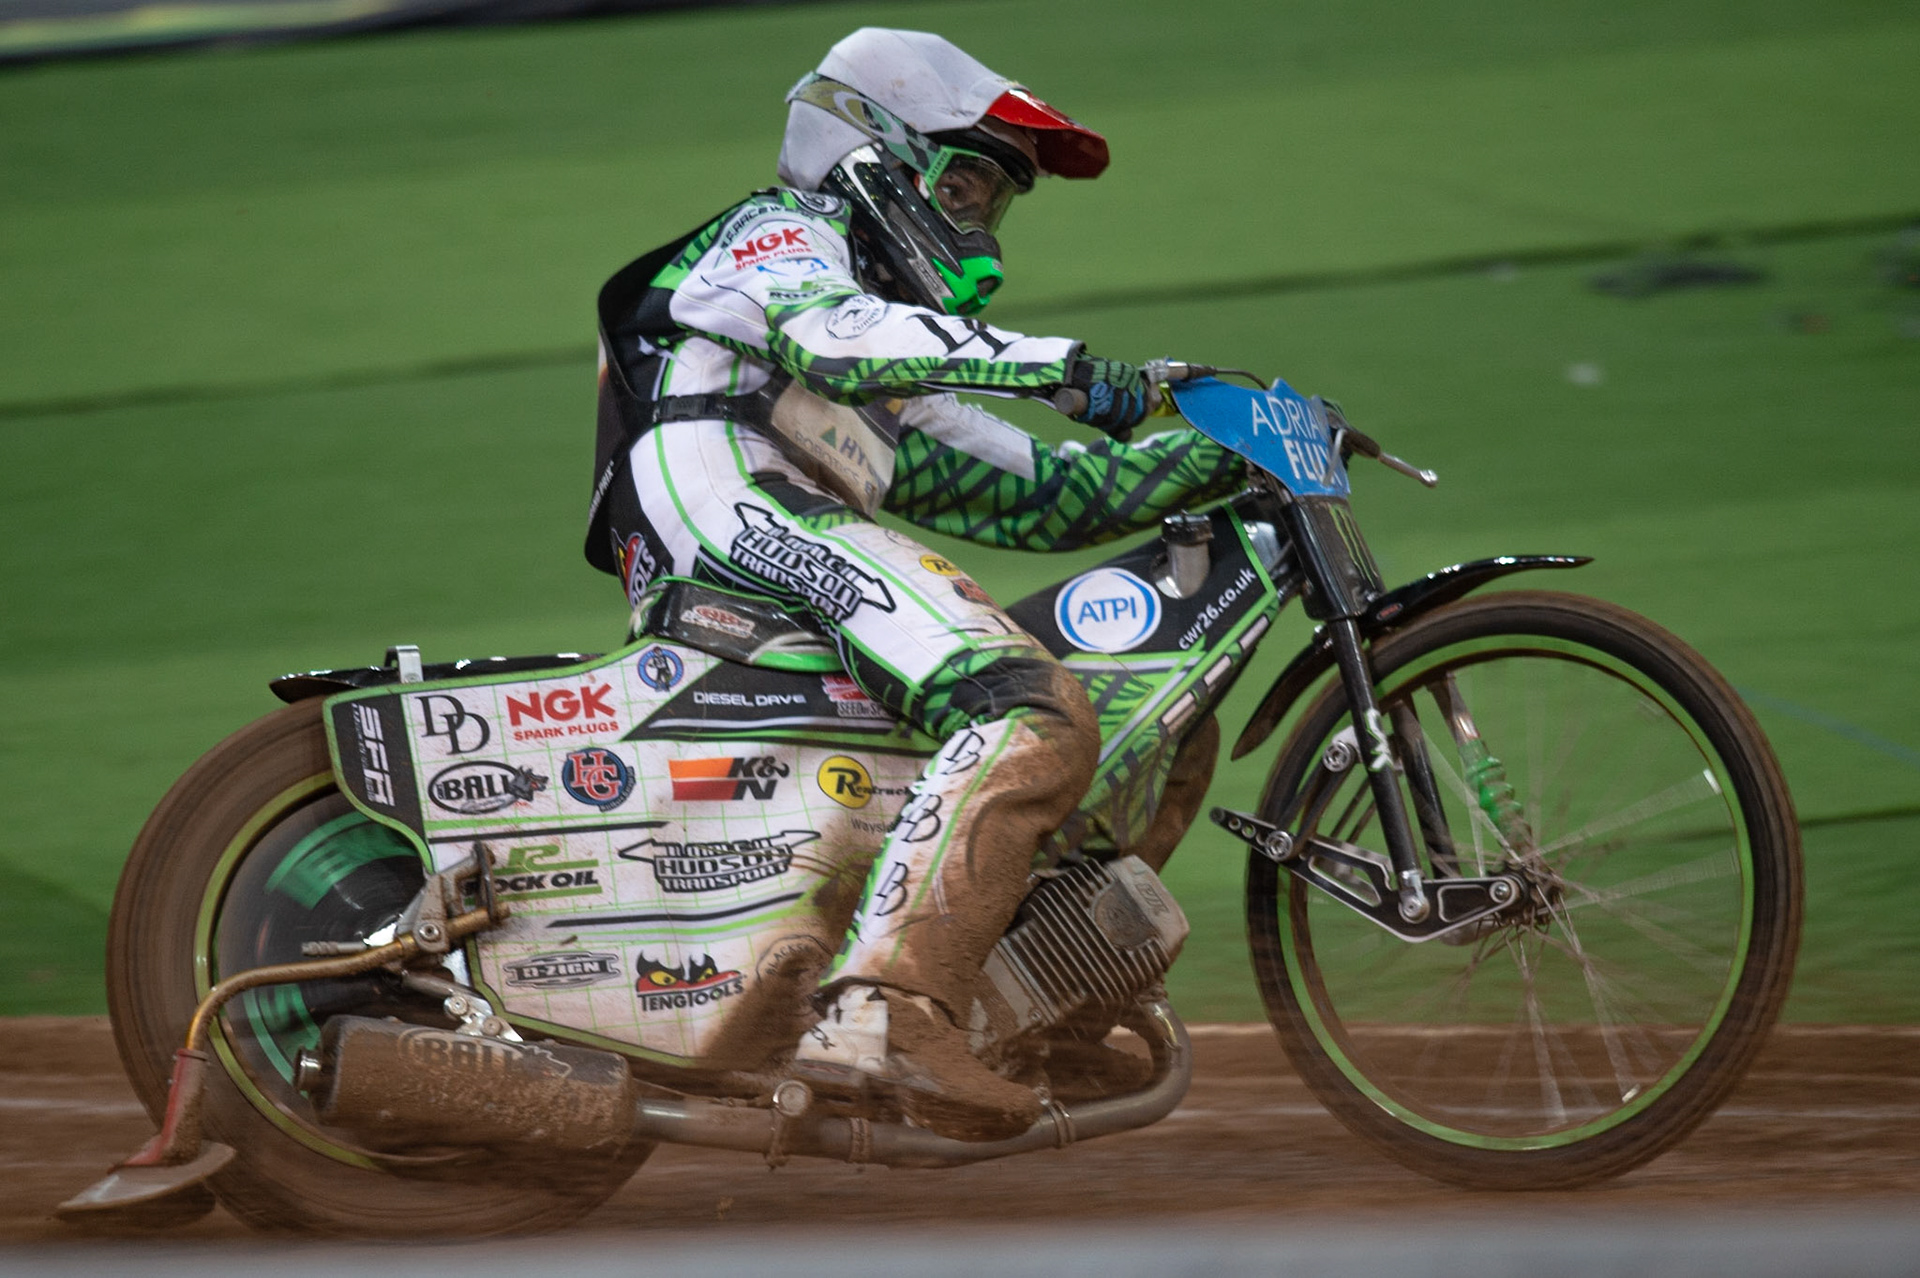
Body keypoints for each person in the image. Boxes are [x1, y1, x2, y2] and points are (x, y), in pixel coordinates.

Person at [585, 27, 1242, 1140]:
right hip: (722, 492)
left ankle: (1031, 1006)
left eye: (999, 196)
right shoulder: (781, 236)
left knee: (1156, 710)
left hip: (781, 516)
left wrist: (1244, 451)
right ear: (874, 148)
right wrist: (1067, 370)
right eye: (972, 178)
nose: (982, 216)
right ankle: (892, 1013)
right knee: (1026, 705)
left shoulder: (889, 359)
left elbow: (1038, 494)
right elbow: (843, 341)